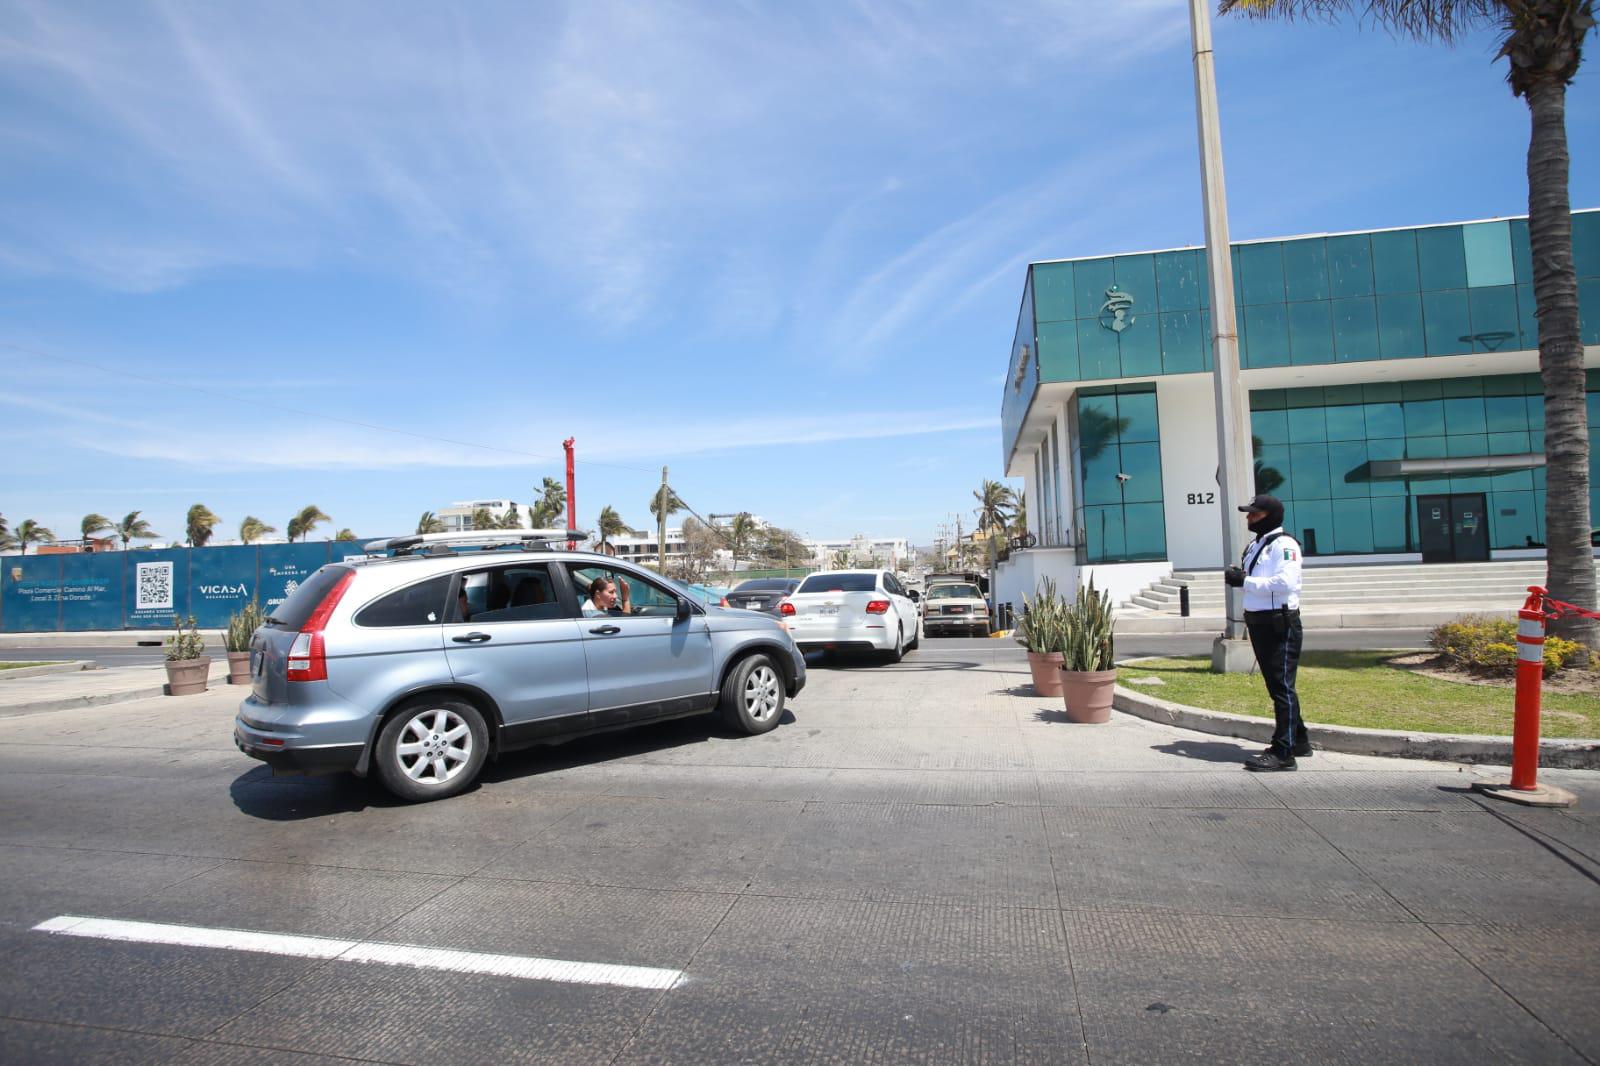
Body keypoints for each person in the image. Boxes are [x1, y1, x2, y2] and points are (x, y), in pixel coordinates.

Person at [1224, 493, 1310, 772]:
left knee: (1281, 688)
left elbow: (1285, 583)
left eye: (1254, 514)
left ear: (1270, 516)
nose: (1249, 518)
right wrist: (1243, 575)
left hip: (1278, 623)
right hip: (1260, 622)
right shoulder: (1257, 545)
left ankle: (1283, 753)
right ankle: (1299, 740)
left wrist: (1245, 581)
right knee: (1278, 686)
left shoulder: (1285, 545)